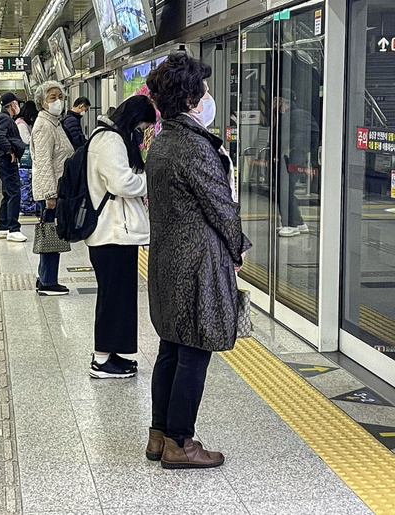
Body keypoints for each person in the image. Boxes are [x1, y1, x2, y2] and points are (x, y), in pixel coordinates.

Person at [145, 52, 251, 469]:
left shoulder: (162, 139)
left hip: (168, 260)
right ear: (192, 97)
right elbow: (221, 207)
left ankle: (159, 435)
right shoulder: (194, 146)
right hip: (197, 265)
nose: (209, 95)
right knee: (194, 354)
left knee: (170, 349)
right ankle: (181, 443)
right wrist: (237, 247)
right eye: (204, 88)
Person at [85, 95, 156, 378]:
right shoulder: (111, 141)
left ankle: (109, 353)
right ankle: (101, 361)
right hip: (111, 233)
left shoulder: (106, 136)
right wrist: (154, 181)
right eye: (141, 127)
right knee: (113, 298)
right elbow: (122, 183)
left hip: (114, 233)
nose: (140, 133)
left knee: (116, 297)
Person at [31, 81, 74, 296]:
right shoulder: (44, 126)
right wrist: (50, 194)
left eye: (60, 96)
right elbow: (43, 163)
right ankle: (48, 282)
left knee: (51, 233)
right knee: (50, 234)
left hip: (57, 188)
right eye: (52, 97)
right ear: (42, 102)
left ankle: (44, 277)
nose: (58, 101)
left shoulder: (54, 122)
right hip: (52, 191)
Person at [275, 88, 319, 237]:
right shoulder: (293, 115)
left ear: (282, 101)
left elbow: (298, 136)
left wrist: (292, 150)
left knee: (285, 190)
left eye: (276, 100)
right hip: (293, 156)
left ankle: (291, 224)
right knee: (286, 189)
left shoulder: (294, 115)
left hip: (293, 157)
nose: (274, 104)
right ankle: (298, 222)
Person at [0, 92, 28, 242]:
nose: (18, 106)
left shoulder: (0, 118)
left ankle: (2, 227)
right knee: (14, 193)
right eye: (17, 103)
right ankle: (13, 228)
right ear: (12, 104)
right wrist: (10, 150)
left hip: (3, 160)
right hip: (7, 160)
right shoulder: (5, 119)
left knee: (8, 193)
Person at [15, 100, 40, 216]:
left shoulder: (24, 123)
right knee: (25, 183)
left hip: (25, 159)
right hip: (24, 159)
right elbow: (26, 140)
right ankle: (26, 206)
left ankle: (28, 206)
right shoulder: (21, 124)